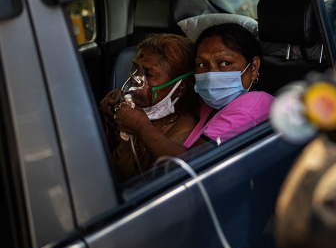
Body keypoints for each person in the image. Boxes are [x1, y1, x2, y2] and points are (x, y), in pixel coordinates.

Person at [114, 23, 274, 157]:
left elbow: (191, 166)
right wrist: (120, 97)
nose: (211, 74)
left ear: (253, 68)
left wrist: (141, 127)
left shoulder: (250, 108)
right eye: (202, 64)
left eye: (225, 63)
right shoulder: (213, 103)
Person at [100, 33, 198, 182]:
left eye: (149, 74)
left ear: (181, 86)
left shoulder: (184, 131)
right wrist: (109, 123)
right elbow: (103, 164)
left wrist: (141, 128)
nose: (135, 80)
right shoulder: (128, 109)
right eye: (134, 69)